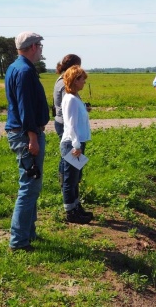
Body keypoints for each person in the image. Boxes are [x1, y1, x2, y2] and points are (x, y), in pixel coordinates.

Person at [5, 31, 49, 251]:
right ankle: (19, 241)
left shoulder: (16, 67)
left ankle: (28, 233)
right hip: (26, 134)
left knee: (32, 185)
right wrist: (33, 137)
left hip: (23, 132)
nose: (41, 49)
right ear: (33, 47)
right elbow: (25, 107)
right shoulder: (24, 71)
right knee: (29, 186)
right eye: (40, 45)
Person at [60, 65, 93, 224]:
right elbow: (70, 125)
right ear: (74, 80)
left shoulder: (75, 97)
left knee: (75, 178)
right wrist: (76, 145)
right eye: (82, 79)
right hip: (72, 144)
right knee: (70, 180)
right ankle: (70, 212)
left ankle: (76, 207)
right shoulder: (71, 99)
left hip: (77, 143)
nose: (84, 82)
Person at [53, 54, 83, 187]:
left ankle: (67, 183)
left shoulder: (61, 79)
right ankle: (67, 184)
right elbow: (69, 108)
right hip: (66, 124)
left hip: (62, 122)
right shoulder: (65, 82)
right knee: (69, 157)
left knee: (67, 156)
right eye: (78, 66)